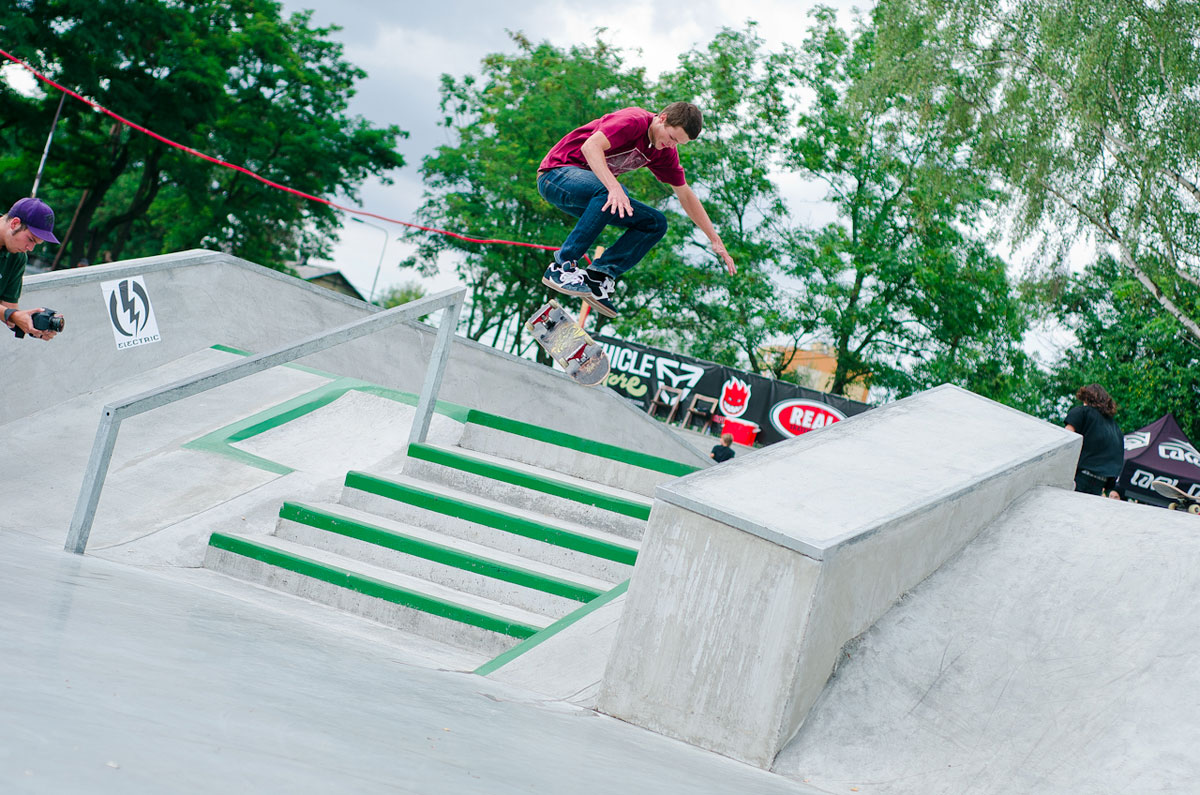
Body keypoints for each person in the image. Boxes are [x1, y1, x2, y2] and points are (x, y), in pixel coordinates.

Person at [537, 102, 737, 318]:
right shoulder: (633, 121)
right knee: (612, 192)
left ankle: (598, 276)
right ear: (662, 118)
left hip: (591, 198)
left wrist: (714, 238)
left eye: (678, 143)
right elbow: (590, 147)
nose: (671, 145)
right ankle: (562, 266)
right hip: (556, 175)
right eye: (671, 138)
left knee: (654, 223)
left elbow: (685, 195)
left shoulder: (664, 153)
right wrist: (613, 187)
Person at [1, 197, 62, 341]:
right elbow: (8, 313)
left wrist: (32, 325)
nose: (30, 248)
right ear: (15, 223)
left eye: (37, 244)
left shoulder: (18, 257)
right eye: (30, 239)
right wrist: (12, 315)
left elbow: (8, 308)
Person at [1064, 384, 1124, 496]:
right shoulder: (1115, 428)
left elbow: (1066, 440)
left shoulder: (1082, 412)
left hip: (1080, 478)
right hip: (1100, 482)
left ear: (1087, 398)